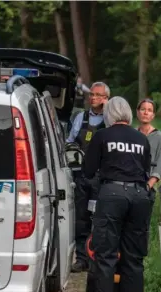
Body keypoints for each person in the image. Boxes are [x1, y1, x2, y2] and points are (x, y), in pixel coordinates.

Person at [83, 96, 153, 292]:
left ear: (109, 114)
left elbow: (88, 170)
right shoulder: (142, 139)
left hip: (112, 194)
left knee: (106, 255)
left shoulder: (102, 136)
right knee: (134, 258)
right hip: (140, 197)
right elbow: (145, 171)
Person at [66, 82, 110, 273]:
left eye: (98, 95)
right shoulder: (80, 118)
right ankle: (82, 258)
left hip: (102, 177)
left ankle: (98, 258)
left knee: (100, 218)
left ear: (106, 98)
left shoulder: (110, 119)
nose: (93, 98)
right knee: (81, 218)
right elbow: (69, 142)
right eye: (91, 94)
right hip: (81, 176)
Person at [136, 98, 161, 228]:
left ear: (153, 115)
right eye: (143, 109)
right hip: (131, 185)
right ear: (137, 112)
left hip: (148, 186)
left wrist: (148, 186)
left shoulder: (159, 137)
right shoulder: (133, 134)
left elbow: (160, 164)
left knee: (143, 225)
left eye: (149, 110)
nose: (146, 113)